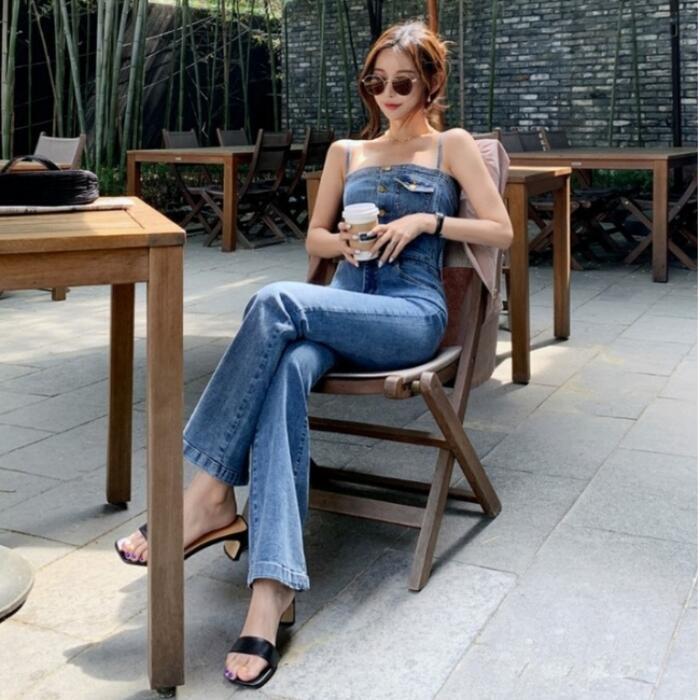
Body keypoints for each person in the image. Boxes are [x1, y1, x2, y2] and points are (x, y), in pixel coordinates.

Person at [115, 19, 512, 690]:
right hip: (342, 302)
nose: (387, 94)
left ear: (430, 83)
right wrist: (344, 246)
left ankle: (207, 493)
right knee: (285, 372)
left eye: (402, 82)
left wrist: (428, 220)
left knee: (274, 302)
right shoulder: (347, 152)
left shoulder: (452, 145)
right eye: (376, 81)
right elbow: (316, 240)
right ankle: (271, 593)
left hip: (408, 315)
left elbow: (501, 230)